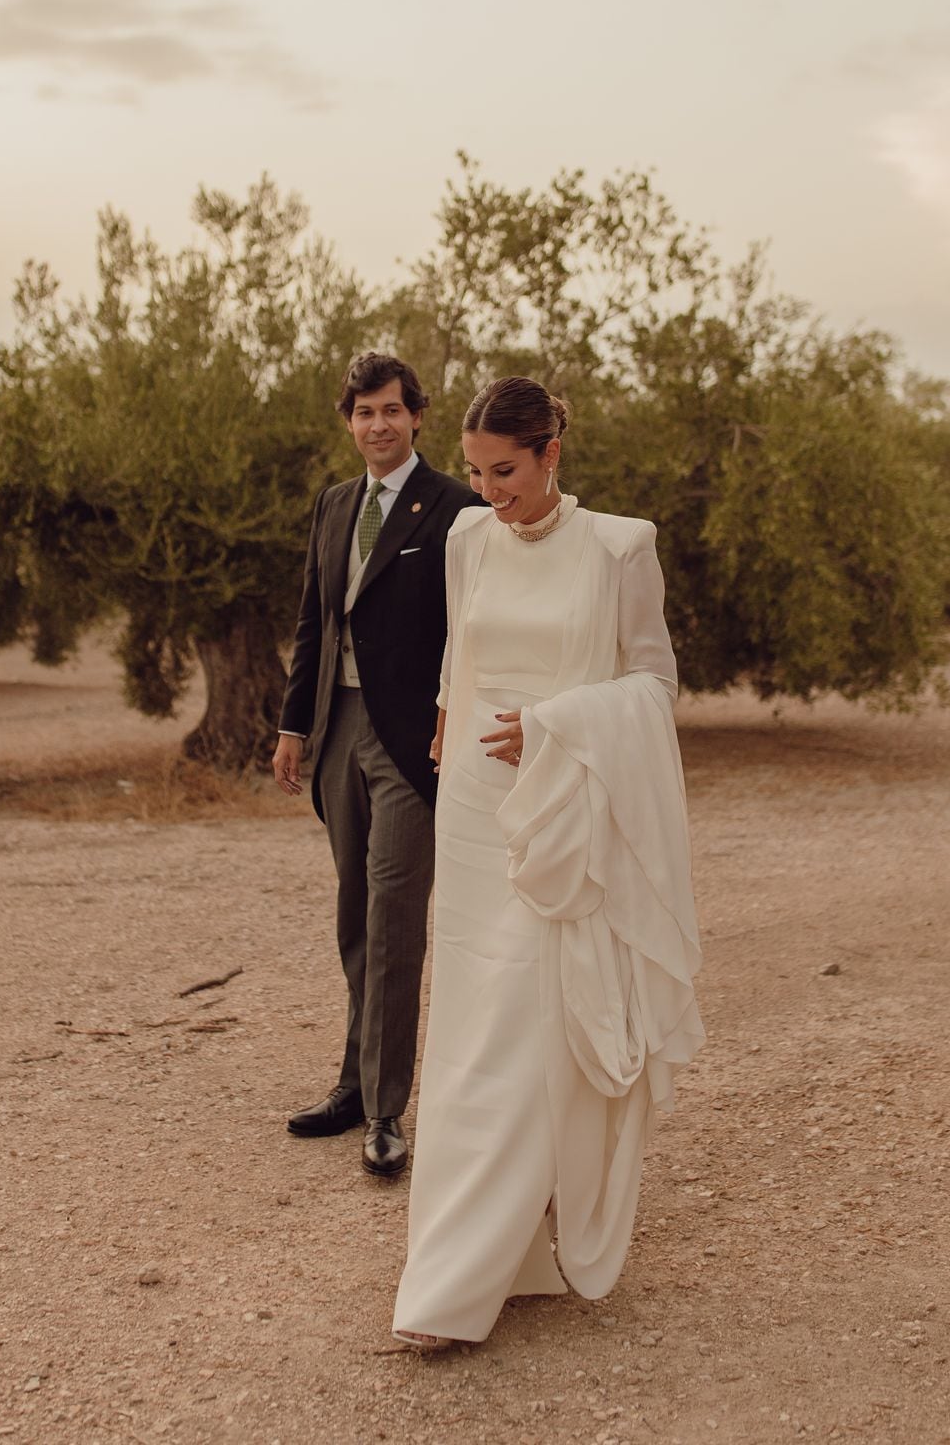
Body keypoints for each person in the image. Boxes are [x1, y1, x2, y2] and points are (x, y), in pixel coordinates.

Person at [392, 375, 704, 1346]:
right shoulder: (466, 538)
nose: (491, 491)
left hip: (562, 803)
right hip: (478, 811)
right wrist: (449, 721)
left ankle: (455, 1292)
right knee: (470, 1027)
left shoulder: (620, 547)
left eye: (508, 472)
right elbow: (460, 652)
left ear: (551, 454)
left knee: (525, 1028)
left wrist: (561, 730)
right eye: (479, 472)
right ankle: (493, 1252)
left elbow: (654, 681)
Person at [273, 352, 481, 1178]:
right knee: (356, 914)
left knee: (396, 919)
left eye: (391, 410)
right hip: (337, 732)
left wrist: (452, 722)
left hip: (411, 745)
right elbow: (312, 623)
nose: (377, 425)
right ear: (348, 421)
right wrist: (295, 727)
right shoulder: (332, 506)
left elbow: (472, 633)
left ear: (418, 416)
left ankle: (388, 1111)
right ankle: (353, 1088)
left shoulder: (456, 510)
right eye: (363, 413)